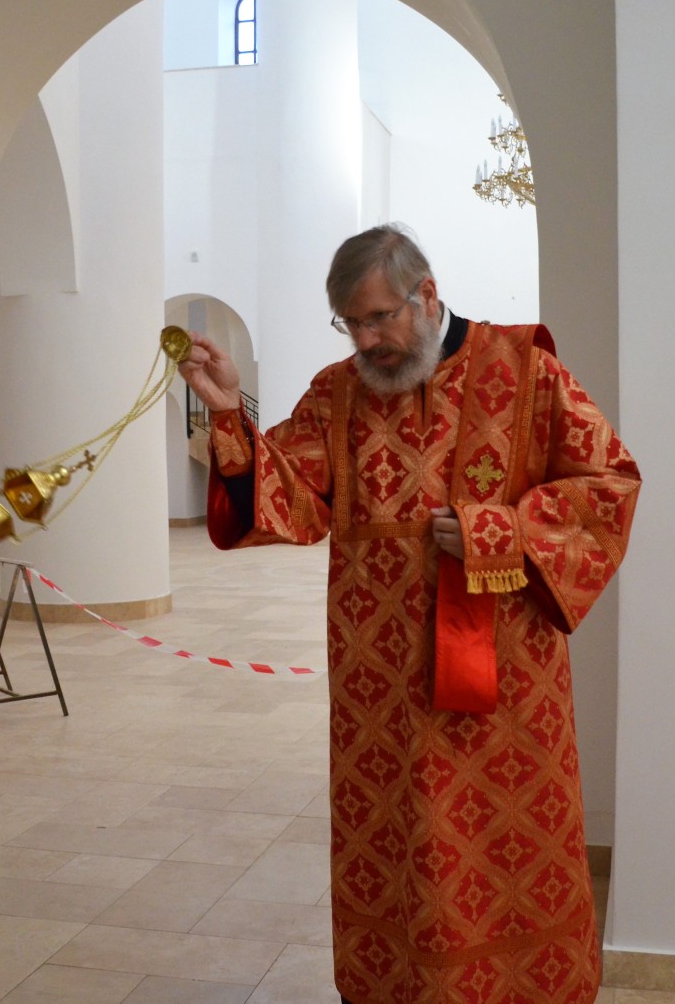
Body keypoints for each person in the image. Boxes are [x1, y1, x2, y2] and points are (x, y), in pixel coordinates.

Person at [178, 224, 640, 1004]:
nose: (365, 341)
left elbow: (610, 483)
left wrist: (502, 530)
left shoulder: (526, 369)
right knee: (400, 853)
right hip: (378, 695)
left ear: (425, 294)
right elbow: (292, 496)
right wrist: (228, 412)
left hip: (503, 689)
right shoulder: (337, 392)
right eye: (350, 324)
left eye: (378, 318)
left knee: (493, 849)